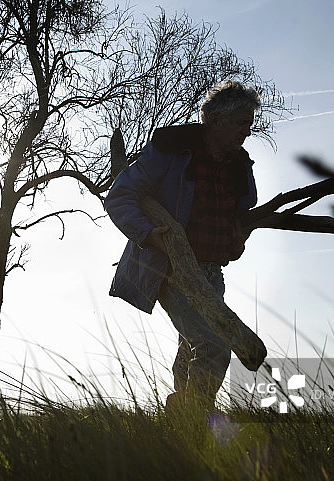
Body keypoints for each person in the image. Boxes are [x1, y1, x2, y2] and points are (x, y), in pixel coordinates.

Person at [104, 80, 261, 411]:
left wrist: (238, 237)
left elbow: (244, 214)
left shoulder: (239, 165)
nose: (245, 132)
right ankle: (196, 417)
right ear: (214, 120)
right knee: (215, 342)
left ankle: (180, 419)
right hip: (169, 267)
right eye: (239, 123)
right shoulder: (171, 152)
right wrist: (148, 234)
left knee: (192, 347)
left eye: (248, 124)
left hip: (210, 272)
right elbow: (120, 196)